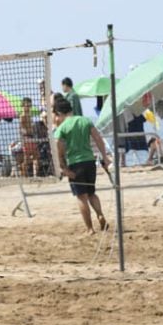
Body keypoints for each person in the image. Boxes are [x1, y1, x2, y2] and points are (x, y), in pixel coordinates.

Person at [52, 98, 110, 234]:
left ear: (59, 113)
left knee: (81, 197)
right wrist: (105, 157)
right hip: (90, 162)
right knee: (91, 193)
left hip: (75, 164)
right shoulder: (85, 120)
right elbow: (98, 139)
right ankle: (100, 214)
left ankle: (90, 229)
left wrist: (64, 169)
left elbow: (58, 150)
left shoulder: (61, 128)